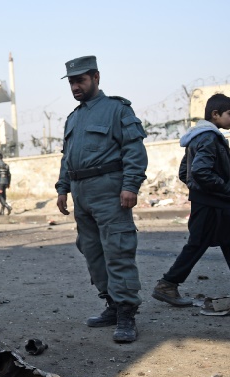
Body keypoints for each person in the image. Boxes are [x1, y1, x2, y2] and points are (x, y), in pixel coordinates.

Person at [55, 56, 148, 343]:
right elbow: (66, 157)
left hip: (110, 190)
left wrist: (131, 185)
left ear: (96, 77)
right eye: (71, 81)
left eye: (80, 80)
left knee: (118, 250)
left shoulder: (117, 110)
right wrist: (62, 188)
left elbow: (134, 149)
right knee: (92, 251)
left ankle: (126, 315)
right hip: (81, 192)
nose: (75, 86)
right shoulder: (74, 117)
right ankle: (111, 304)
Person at [152, 94, 230, 309]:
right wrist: (225, 189)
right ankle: (167, 285)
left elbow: (185, 172)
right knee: (197, 244)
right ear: (215, 114)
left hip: (210, 202)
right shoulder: (209, 137)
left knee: (223, 241)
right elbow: (200, 172)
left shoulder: (197, 136)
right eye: (229, 114)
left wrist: (199, 191)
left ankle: (167, 285)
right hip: (213, 203)